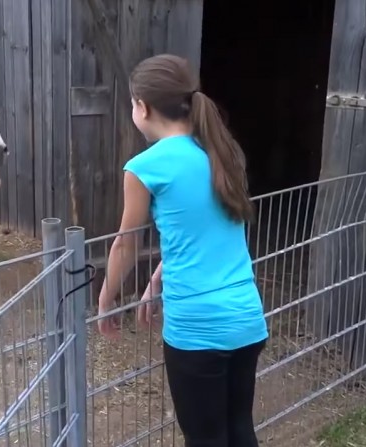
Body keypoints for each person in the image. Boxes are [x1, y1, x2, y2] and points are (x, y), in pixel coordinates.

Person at [95, 54, 269, 447]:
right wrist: (158, 278)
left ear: (142, 107)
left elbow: (126, 243)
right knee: (239, 430)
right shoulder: (223, 152)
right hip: (245, 319)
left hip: (197, 329)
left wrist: (105, 300)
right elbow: (208, 234)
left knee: (204, 439)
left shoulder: (144, 167)